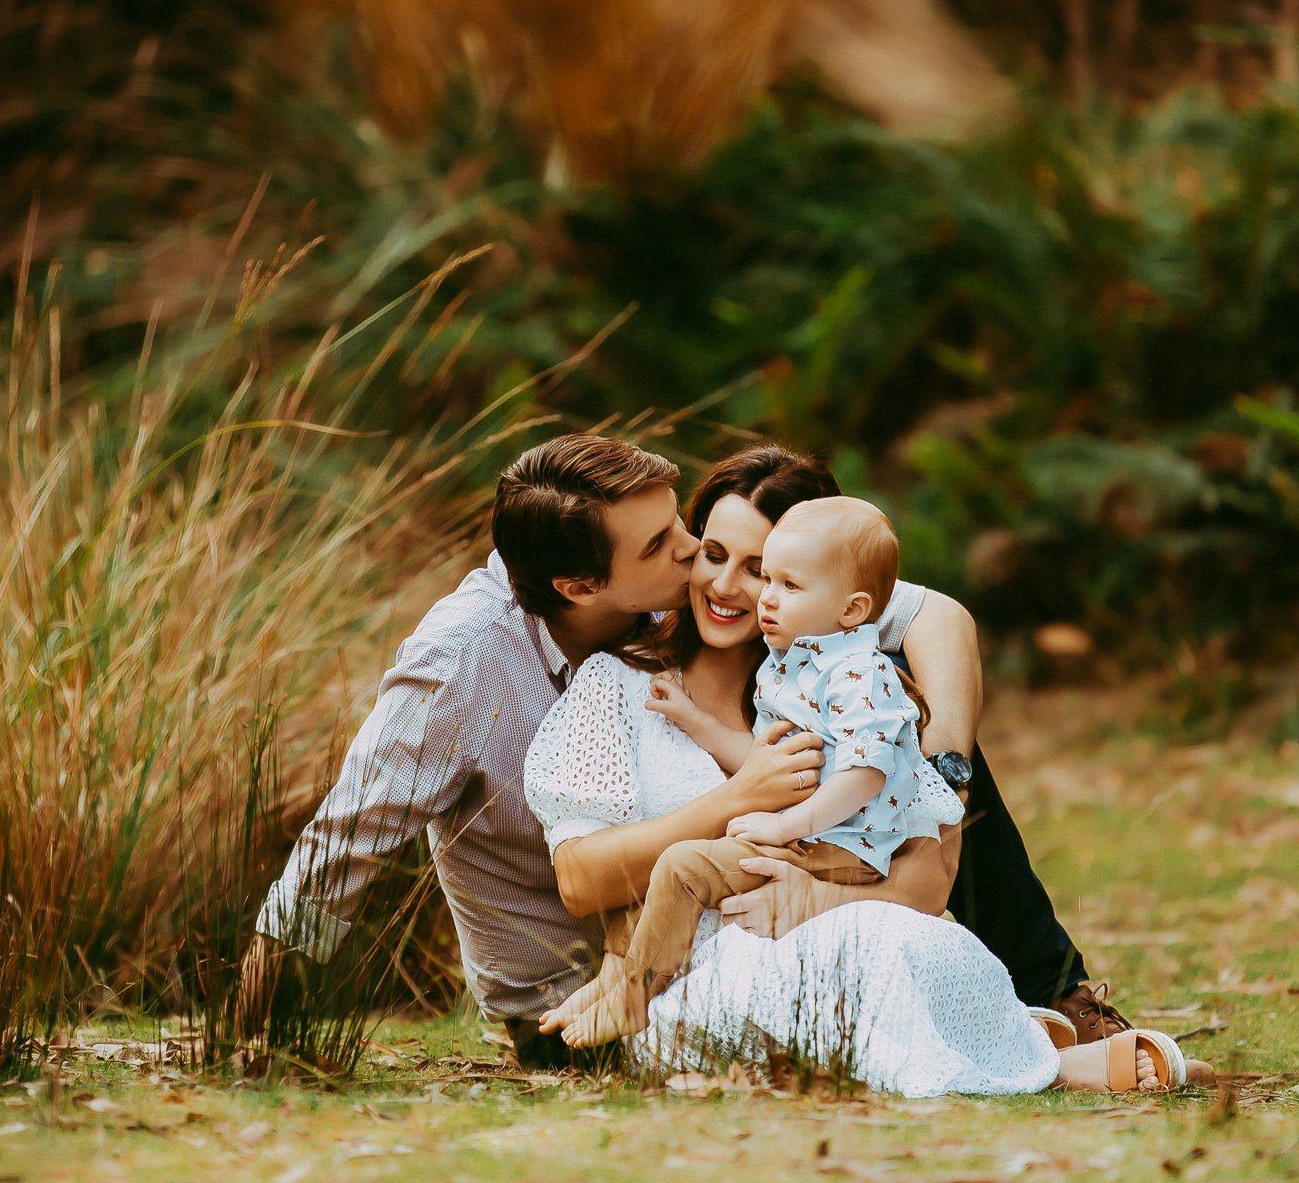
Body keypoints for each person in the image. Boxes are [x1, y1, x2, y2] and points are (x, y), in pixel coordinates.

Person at [235, 434, 1124, 1068]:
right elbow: (347, 839)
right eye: (678, 546)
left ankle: (1051, 996)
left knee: (893, 721)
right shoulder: (468, 661)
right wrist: (244, 1025)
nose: (704, 561)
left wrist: (945, 757)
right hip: (579, 994)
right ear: (584, 585)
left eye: (751, 560)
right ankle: (1019, 1036)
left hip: (740, 945)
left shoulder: (714, 605)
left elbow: (932, 612)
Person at [525, 449, 1211, 1094]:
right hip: (694, 970)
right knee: (840, 966)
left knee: (890, 933)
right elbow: (581, 875)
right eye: (712, 553)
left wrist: (816, 896)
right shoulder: (617, 684)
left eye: (765, 570)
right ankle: (1046, 1059)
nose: (733, 588)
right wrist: (738, 796)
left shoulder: (836, 684)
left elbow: (923, 874)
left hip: (829, 930)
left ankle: (1033, 1023)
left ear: (827, 591)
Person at [553, 496, 960, 1047]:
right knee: (671, 871)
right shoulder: (797, 666)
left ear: (851, 610)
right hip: (811, 839)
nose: (760, 595)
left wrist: (782, 828)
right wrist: (695, 720)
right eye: (765, 577)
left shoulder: (860, 676)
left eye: (780, 581)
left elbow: (864, 775)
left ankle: (632, 996)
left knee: (681, 864)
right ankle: (622, 983)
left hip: (838, 846)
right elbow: (772, 764)